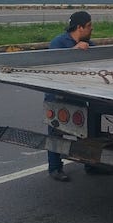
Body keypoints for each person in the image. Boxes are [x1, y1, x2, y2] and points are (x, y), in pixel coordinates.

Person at [46, 10, 93, 181]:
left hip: (78, 94)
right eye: (89, 26)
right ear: (80, 27)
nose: (91, 29)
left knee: (86, 132)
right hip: (58, 95)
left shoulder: (89, 44)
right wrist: (74, 50)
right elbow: (52, 64)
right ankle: (55, 168)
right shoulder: (58, 42)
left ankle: (91, 164)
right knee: (56, 131)